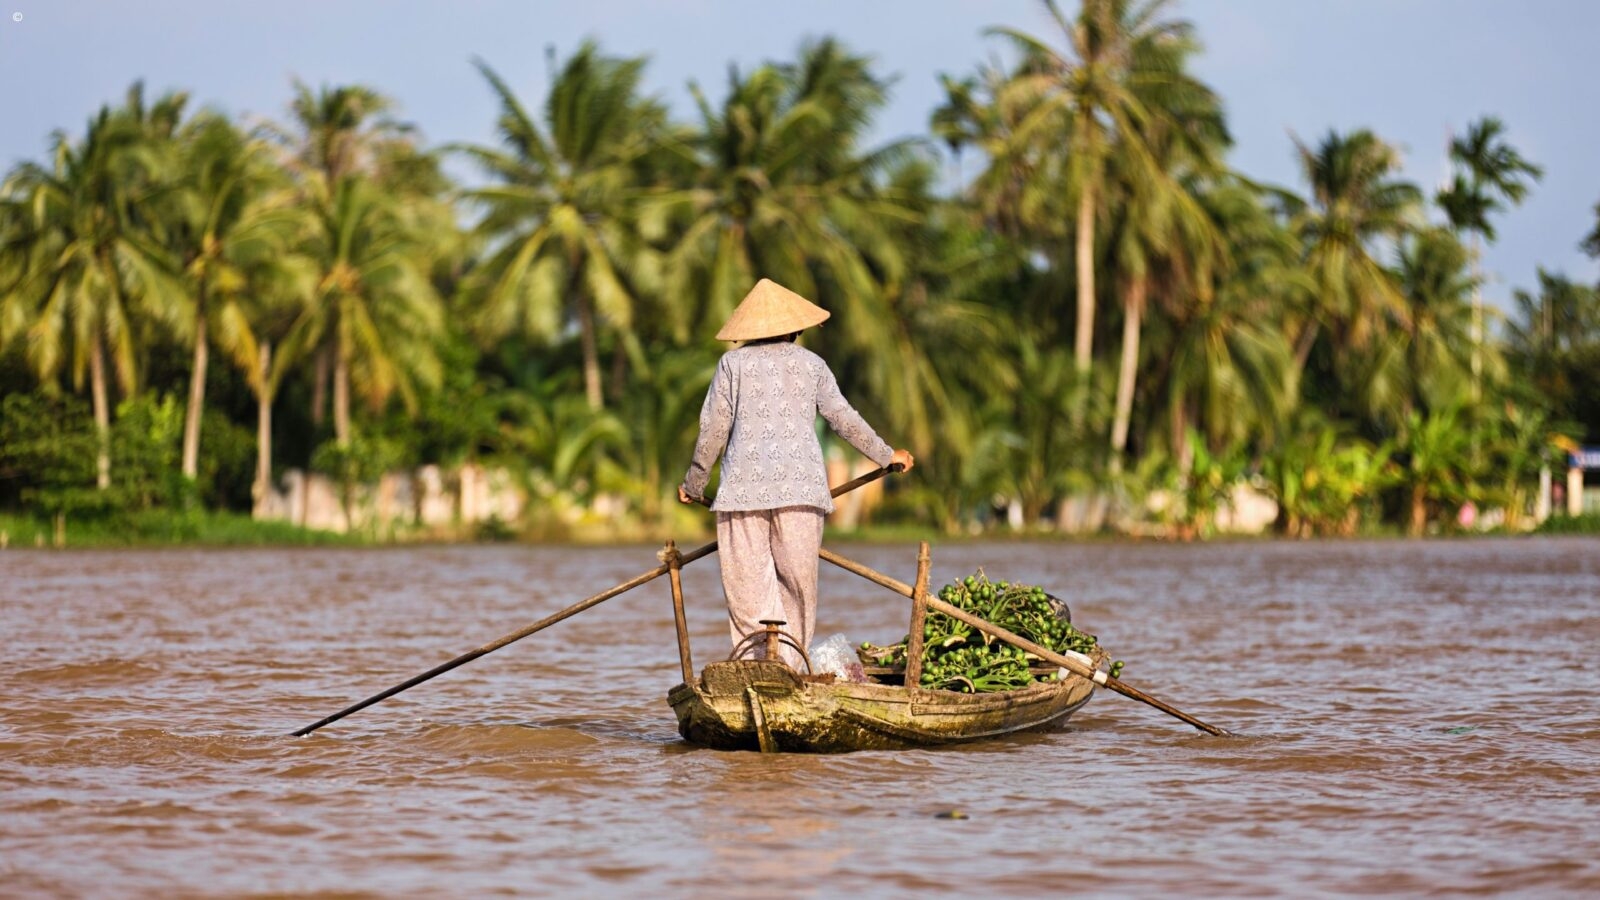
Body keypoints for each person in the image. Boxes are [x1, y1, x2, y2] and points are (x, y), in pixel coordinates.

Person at [678, 278, 914, 668]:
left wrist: (694, 484)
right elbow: (843, 418)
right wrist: (888, 454)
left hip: (742, 494)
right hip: (801, 494)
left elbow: (713, 429)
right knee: (798, 586)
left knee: (747, 588)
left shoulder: (731, 365)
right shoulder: (812, 365)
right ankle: (788, 667)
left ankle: (757, 666)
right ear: (796, 328)